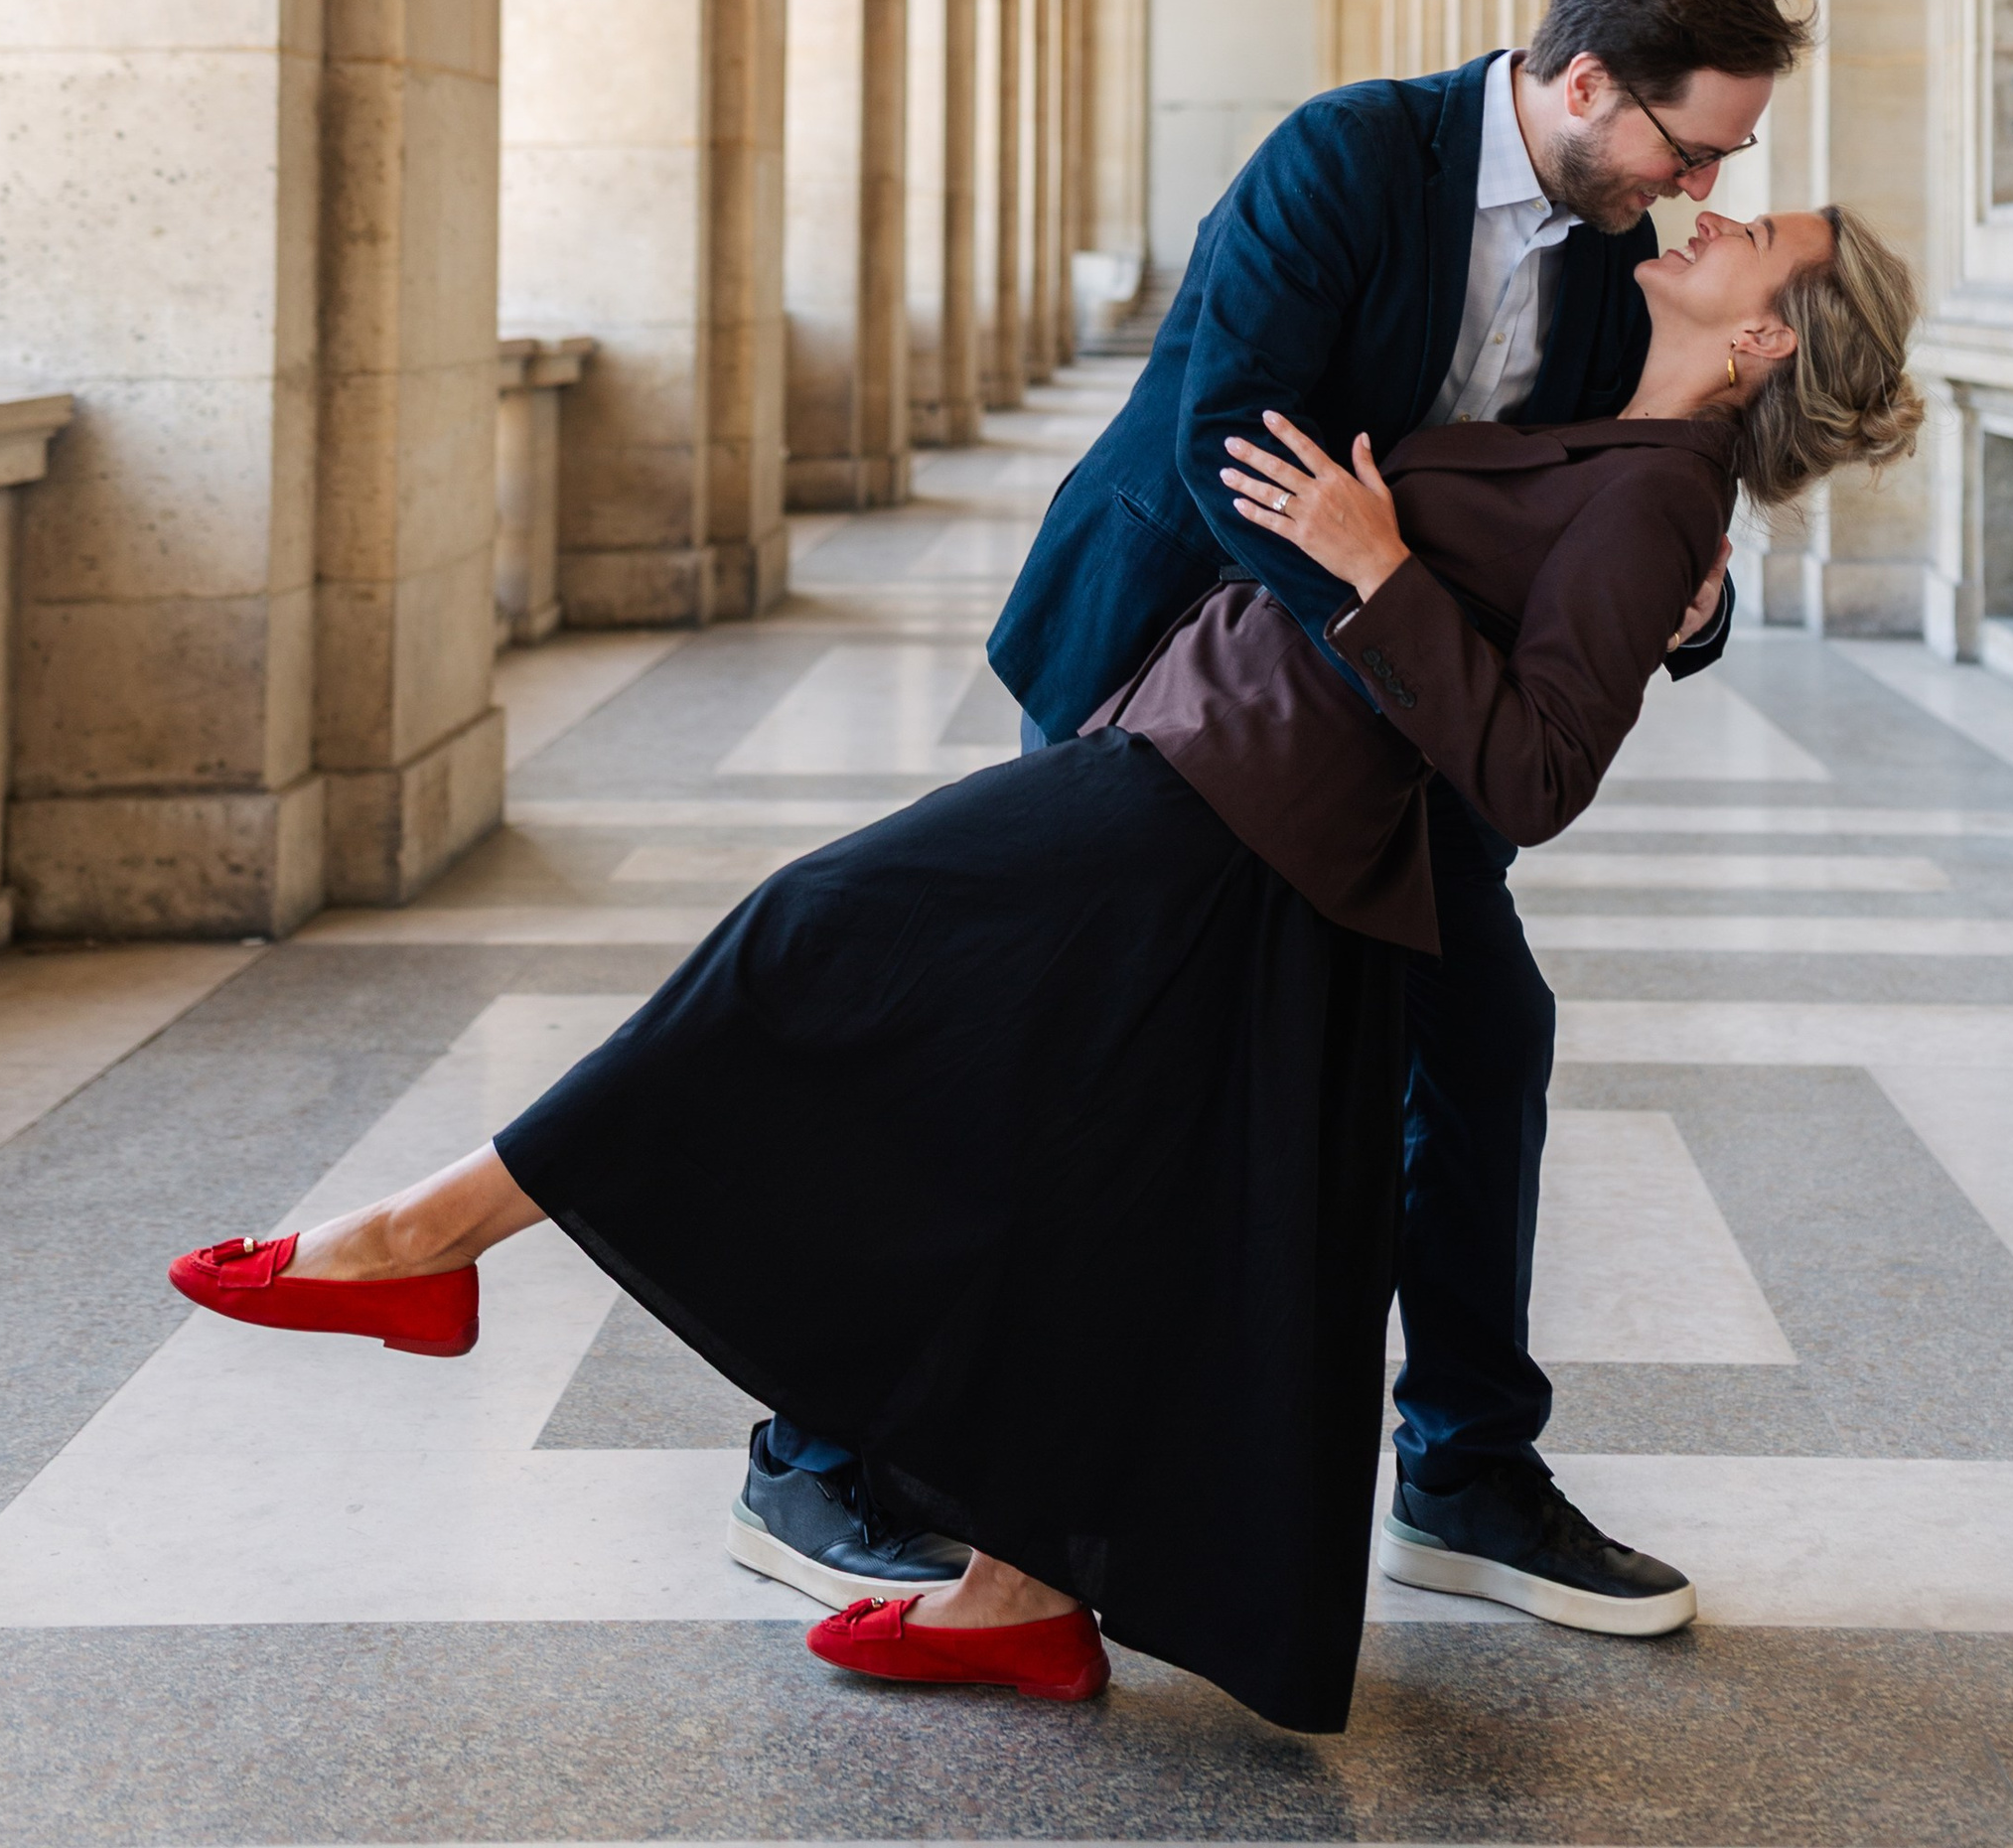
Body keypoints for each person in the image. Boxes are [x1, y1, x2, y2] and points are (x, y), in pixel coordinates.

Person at [165, 196, 1922, 1731]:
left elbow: (1534, 774)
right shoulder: (1623, 427)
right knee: (1110, 1196)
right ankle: (1021, 1594)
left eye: (1756, 233)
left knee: (809, 944)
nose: (1712, 214)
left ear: (1761, 332)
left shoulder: (1660, 494)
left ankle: (420, 1241)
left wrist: (1378, 565)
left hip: (1222, 821)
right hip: (1190, 773)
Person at [757, 0, 1812, 1636]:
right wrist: (1388, 622)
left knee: (1483, 1042)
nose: (1704, 189)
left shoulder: (1623, 249)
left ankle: (1467, 1472)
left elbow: (1601, 493)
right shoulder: (1350, 153)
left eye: (1729, 165)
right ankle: (818, 1451)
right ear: (1586, 82)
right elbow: (1228, 438)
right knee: (1069, 1065)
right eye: (1692, 146)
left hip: (1377, 719)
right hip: (1170, 671)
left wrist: (1684, 611)